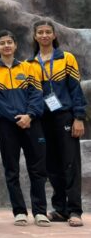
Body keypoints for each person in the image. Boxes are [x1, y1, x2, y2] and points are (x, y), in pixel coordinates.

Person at [0, 30, 49, 227]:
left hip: (32, 123)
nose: (6, 46)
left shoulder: (30, 68)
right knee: (11, 170)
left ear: (15, 45)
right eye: (2, 43)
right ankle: (19, 211)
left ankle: (40, 212)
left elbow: (37, 95)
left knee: (37, 169)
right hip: (6, 126)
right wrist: (16, 118)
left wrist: (29, 115)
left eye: (9, 42)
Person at [30, 20, 86, 227]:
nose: (44, 35)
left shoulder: (66, 58)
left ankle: (74, 210)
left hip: (64, 116)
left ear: (54, 35)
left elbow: (75, 89)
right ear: (35, 36)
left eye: (48, 32)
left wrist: (79, 117)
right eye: (40, 32)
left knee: (70, 163)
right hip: (42, 119)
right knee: (51, 165)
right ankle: (60, 208)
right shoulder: (31, 63)